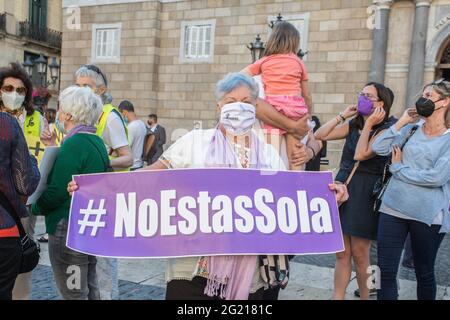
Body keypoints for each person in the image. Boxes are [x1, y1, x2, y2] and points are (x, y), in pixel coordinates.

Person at [315, 82, 396, 300]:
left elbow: (362, 154)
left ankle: (366, 295)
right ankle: (337, 297)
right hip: (343, 187)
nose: (362, 98)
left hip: (366, 191)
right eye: (362, 94)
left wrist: (369, 123)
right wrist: (342, 115)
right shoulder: (353, 124)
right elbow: (320, 135)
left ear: (381, 103)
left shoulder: (388, 129)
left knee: (362, 254)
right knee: (341, 253)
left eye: (368, 96)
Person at [372, 79, 450, 300]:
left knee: (424, 272)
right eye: (423, 94)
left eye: (428, 96)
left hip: (428, 215)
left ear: (444, 102)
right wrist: (401, 122)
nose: (422, 99)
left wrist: (398, 168)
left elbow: (437, 177)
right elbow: (378, 148)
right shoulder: (410, 129)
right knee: (383, 270)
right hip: (392, 208)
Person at [32, 85, 109, 300]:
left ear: (68, 114)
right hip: (86, 225)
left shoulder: (74, 144)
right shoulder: (96, 141)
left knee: (73, 291)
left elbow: (58, 191)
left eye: (60, 109)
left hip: (67, 227)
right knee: (90, 288)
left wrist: (35, 206)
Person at [72, 64, 132, 300]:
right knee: (87, 258)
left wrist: (100, 160)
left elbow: (128, 156)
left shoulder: (109, 116)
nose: (81, 92)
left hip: (109, 195)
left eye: (86, 87)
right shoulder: (83, 115)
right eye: (77, 87)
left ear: (101, 89)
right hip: (87, 195)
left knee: (105, 262)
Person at [241, 21, 312, 171]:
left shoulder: (264, 61)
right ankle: (298, 187)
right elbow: (307, 95)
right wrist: (309, 115)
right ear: (295, 42)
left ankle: (272, 188)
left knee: (271, 158)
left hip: (274, 109)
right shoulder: (299, 62)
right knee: (296, 158)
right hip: (295, 110)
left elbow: (241, 75)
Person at [0, 70, 40, 301]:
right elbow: (26, 184)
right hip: (5, 226)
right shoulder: (7, 124)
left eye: (20, 90)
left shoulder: (36, 119)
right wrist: (31, 161)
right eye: (8, 89)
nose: (14, 94)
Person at [118, 100, 147, 170]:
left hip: (131, 166)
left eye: (121, 113)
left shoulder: (130, 127)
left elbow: (126, 148)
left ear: (124, 111)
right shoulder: (142, 124)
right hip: (139, 164)